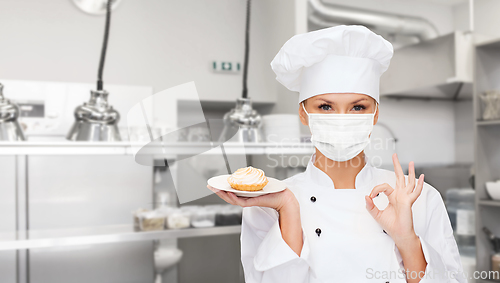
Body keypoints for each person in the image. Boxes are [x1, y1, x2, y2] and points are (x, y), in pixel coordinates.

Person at [208, 25, 465, 282]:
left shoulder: (419, 199)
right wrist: (288, 209)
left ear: (375, 114)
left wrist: (407, 240)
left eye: (357, 107)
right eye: (326, 107)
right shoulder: (269, 205)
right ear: (303, 113)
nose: (341, 119)